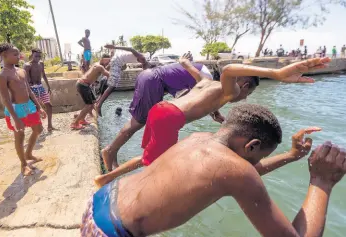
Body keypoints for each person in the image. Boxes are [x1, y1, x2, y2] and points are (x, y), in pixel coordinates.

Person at [83, 103, 346, 237]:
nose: (252, 166)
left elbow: (244, 172)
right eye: (256, 157)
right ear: (252, 145)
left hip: (97, 206)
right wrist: (321, 181)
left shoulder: (200, 138)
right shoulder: (237, 172)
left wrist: (289, 156)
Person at [95, 57, 331, 186]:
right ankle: (123, 186)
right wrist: (277, 74)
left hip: (161, 110)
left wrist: (215, 113)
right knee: (159, 165)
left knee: (151, 157)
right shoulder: (233, 89)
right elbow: (229, 70)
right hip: (170, 118)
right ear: (245, 85)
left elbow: (198, 100)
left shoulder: (206, 81)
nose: (244, 97)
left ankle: (107, 177)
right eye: (247, 94)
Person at [101, 54, 214, 171]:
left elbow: (190, 96)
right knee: (137, 122)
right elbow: (201, 97)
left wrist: (214, 113)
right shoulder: (207, 78)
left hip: (150, 77)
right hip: (153, 81)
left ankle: (113, 152)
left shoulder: (201, 72)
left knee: (140, 121)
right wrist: (214, 113)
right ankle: (110, 150)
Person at [0, 43, 46, 176]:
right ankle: (23, 164)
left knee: (38, 129)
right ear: (4, 56)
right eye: (15, 54)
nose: (19, 56)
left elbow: (28, 90)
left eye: (18, 54)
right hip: (15, 109)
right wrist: (15, 118)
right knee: (20, 135)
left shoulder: (21, 71)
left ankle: (29, 153)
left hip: (29, 105)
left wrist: (39, 107)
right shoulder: (2, 75)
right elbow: (5, 99)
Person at [95, 45, 152, 117]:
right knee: (112, 86)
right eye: (145, 68)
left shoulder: (142, 61)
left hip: (118, 62)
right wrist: (114, 47)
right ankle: (99, 105)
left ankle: (98, 101)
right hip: (116, 61)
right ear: (147, 64)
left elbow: (127, 58)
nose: (144, 69)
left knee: (112, 83)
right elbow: (130, 48)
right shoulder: (142, 58)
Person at [70, 54, 111, 129]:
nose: (108, 63)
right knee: (88, 105)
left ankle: (82, 119)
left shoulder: (96, 64)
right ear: (103, 59)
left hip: (84, 85)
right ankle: (75, 123)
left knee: (92, 103)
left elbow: (100, 72)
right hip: (83, 85)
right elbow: (108, 74)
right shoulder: (99, 67)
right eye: (108, 61)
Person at [24, 48, 55, 132]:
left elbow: (43, 75)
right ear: (32, 55)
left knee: (49, 105)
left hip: (40, 87)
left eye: (39, 56)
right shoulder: (27, 65)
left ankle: (49, 125)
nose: (38, 57)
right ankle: (39, 126)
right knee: (36, 108)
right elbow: (26, 80)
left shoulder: (41, 63)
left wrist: (48, 86)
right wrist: (29, 92)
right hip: (32, 88)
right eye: (36, 56)